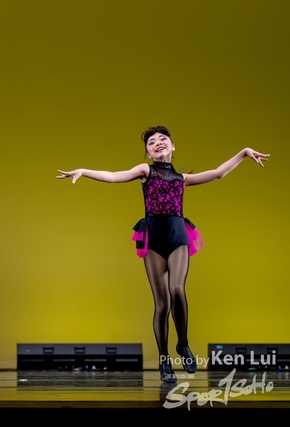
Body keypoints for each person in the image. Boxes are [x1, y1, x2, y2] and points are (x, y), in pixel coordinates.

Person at [56, 126, 268, 383]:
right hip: (153, 240)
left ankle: (183, 344)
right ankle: (164, 359)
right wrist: (84, 171)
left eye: (163, 139)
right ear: (148, 153)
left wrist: (244, 152)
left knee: (177, 289)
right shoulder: (146, 171)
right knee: (162, 303)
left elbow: (218, 173)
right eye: (151, 142)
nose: (157, 143)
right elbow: (113, 176)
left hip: (178, 237)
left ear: (173, 145)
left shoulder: (182, 179)